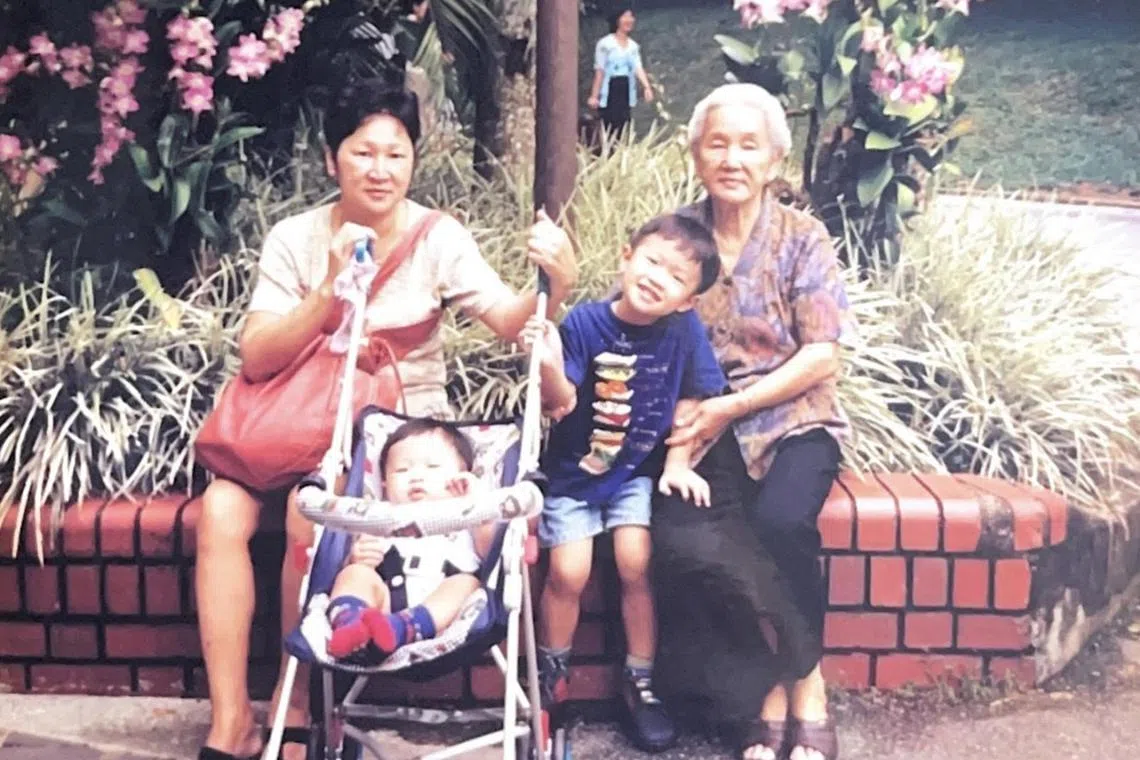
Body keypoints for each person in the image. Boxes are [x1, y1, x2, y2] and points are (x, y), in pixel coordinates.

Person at [194, 77, 577, 760]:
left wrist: (558, 283)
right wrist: (329, 292)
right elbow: (256, 357)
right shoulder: (297, 237)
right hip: (294, 420)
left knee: (307, 515)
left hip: (386, 439)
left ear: (414, 160)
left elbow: (507, 321)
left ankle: (303, 701)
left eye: (396, 155)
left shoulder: (437, 237)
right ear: (330, 158)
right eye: (363, 153)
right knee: (221, 511)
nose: (380, 170)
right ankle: (233, 720)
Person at [651, 82, 851, 760]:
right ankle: (764, 684)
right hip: (702, 429)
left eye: (748, 145)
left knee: (780, 523)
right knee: (685, 542)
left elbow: (822, 354)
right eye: (718, 144)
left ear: (773, 160)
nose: (732, 159)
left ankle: (807, 680)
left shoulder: (803, 238)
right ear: (696, 154)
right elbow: (645, 328)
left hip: (793, 420)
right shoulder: (677, 236)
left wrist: (733, 405)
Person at [518, 213, 726, 753]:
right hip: (571, 475)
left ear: (687, 300)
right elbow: (561, 403)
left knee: (636, 561)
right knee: (569, 570)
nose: (658, 277)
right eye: (653, 260)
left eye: (677, 277)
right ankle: (551, 672)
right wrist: (546, 362)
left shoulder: (683, 331)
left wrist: (678, 462)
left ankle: (641, 680)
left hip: (633, 473)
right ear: (626, 255)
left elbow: (694, 397)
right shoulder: (585, 324)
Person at [323, 419, 493, 662]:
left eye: (433, 467)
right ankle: (351, 626)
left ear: (462, 474)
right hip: (383, 606)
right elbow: (360, 563)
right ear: (384, 483)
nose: (416, 477)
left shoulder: (467, 519)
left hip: (439, 617)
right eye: (402, 470)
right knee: (355, 575)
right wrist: (358, 558)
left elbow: (491, 552)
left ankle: (399, 628)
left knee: (467, 585)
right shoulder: (377, 518)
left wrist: (477, 502)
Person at [587, 6, 654, 143]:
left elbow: (637, 67)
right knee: (609, 122)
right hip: (610, 87)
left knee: (623, 122)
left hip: (625, 88)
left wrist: (646, 86)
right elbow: (600, 70)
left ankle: (620, 148)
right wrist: (594, 95)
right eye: (625, 16)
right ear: (617, 20)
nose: (629, 20)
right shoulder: (605, 44)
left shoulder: (633, 46)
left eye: (631, 16)